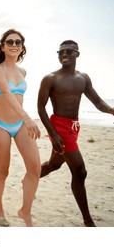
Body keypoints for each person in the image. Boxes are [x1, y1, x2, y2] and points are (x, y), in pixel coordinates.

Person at [37, 40, 114, 227]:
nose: (64, 53)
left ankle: (30, 176)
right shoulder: (50, 78)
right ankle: (88, 221)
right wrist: (53, 134)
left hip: (74, 127)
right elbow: (40, 107)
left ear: (77, 54)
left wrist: (112, 110)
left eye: (69, 51)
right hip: (59, 128)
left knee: (53, 165)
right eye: (60, 51)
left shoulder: (83, 78)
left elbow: (97, 102)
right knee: (80, 171)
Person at [0, 29, 41, 227]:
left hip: (19, 125)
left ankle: (25, 211)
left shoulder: (23, 72)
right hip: (0, 125)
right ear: (3, 47)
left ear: (22, 47)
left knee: (35, 168)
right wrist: (28, 119)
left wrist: (25, 120)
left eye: (18, 42)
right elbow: (7, 94)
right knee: (3, 170)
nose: (14, 45)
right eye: (10, 42)